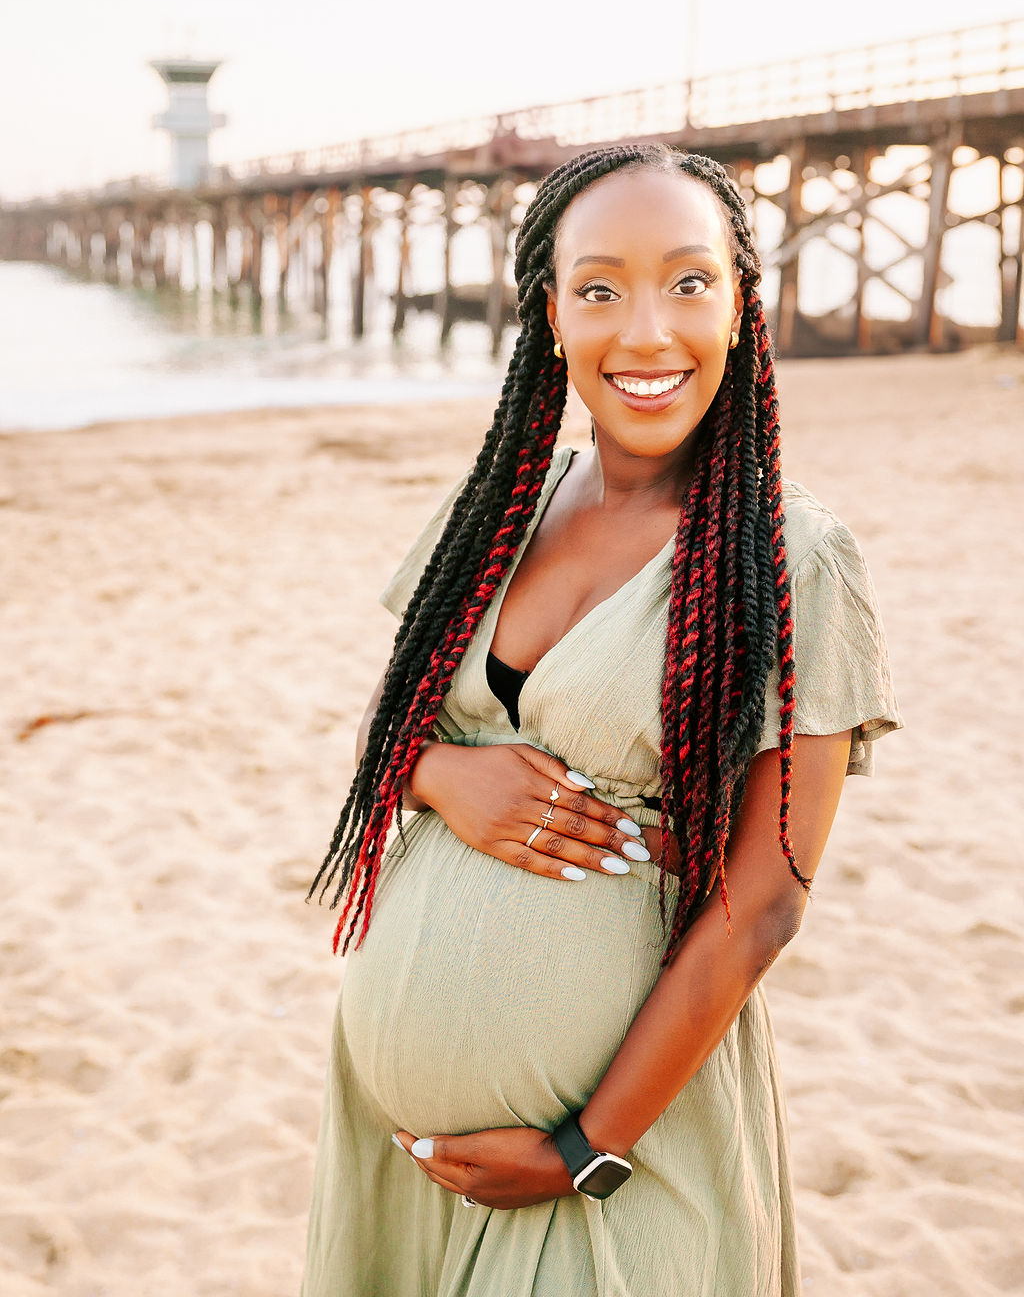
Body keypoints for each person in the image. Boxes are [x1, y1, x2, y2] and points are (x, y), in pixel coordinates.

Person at [300, 143, 902, 1297]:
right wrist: (436, 773)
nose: (645, 334)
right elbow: (391, 717)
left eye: (688, 282)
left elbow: (765, 899)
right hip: (396, 1161)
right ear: (551, 312)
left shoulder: (790, 559)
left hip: (619, 1147)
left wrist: (586, 1150)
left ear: (740, 306)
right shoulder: (498, 503)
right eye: (599, 288)